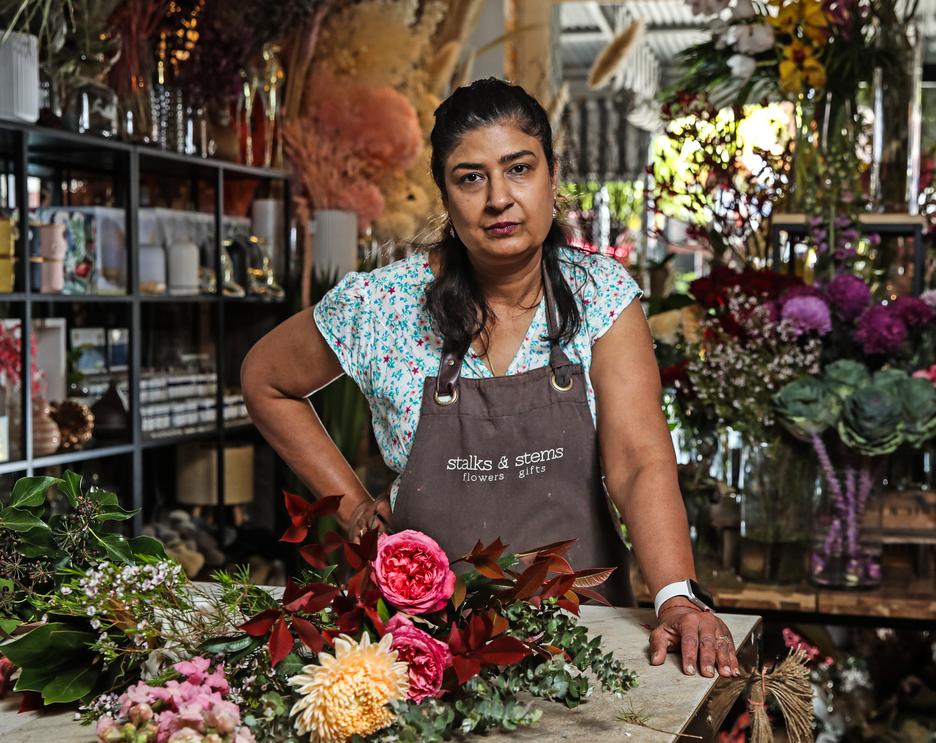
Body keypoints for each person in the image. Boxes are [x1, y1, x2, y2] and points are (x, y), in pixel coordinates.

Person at [241, 78, 739, 678]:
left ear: (553, 178)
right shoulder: (382, 304)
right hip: (424, 642)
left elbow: (637, 459)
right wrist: (351, 507)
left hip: (585, 641)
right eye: (471, 177)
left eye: (519, 168)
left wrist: (675, 598)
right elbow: (266, 380)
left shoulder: (600, 295)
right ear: (446, 197)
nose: (499, 197)